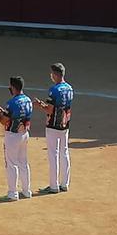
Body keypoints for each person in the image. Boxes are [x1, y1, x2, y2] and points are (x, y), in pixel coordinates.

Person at [0, 76, 33, 202]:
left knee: (11, 164)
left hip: (13, 136)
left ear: (13, 87)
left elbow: (4, 120)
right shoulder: (28, 100)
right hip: (24, 133)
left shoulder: (12, 102)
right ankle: (26, 191)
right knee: (23, 162)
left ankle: (12, 193)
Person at [35, 63, 73, 194]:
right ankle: (65, 183)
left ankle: (54, 185)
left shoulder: (54, 90)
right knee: (64, 152)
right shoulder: (69, 88)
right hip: (65, 124)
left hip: (53, 125)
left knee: (53, 154)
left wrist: (40, 106)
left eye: (52, 73)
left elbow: (50, 109)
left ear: (56, 75)